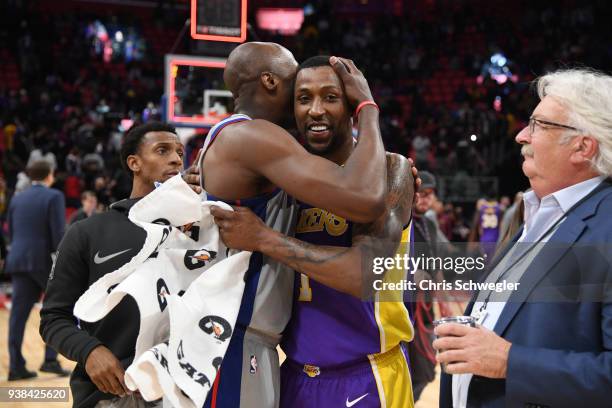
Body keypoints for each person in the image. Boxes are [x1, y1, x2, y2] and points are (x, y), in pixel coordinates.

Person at [210, 55, 415, 407]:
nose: (315, 110)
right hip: (294, 375)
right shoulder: (285, 176)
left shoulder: (391, 170)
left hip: (367, 376)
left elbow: (361, 274)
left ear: (352, 105)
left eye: (330, 97)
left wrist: (265, 238)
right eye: (304, 98)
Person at [435, 69, 612, 407]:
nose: (520, 136)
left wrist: (509, 362)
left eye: (538, 125)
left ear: (582, 146)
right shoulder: (539, 215)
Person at [40, 122, 200, 407]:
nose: (176, 159)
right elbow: (53, 318)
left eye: (179, 152)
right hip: (115, 392)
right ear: (134, 163)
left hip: (187, 390)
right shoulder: (88, 231)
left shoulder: (200, 230)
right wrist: (89, 351)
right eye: (162, 150)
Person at [5, 160, 69, 380]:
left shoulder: (17, 198)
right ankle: (50, 360)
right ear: (49, 175)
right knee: (58, 310)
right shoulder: (54, 196)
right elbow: (58, 235)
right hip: (43, 262)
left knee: (18, 316)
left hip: (18, 260)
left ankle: (15, 366)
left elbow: (11, 232)